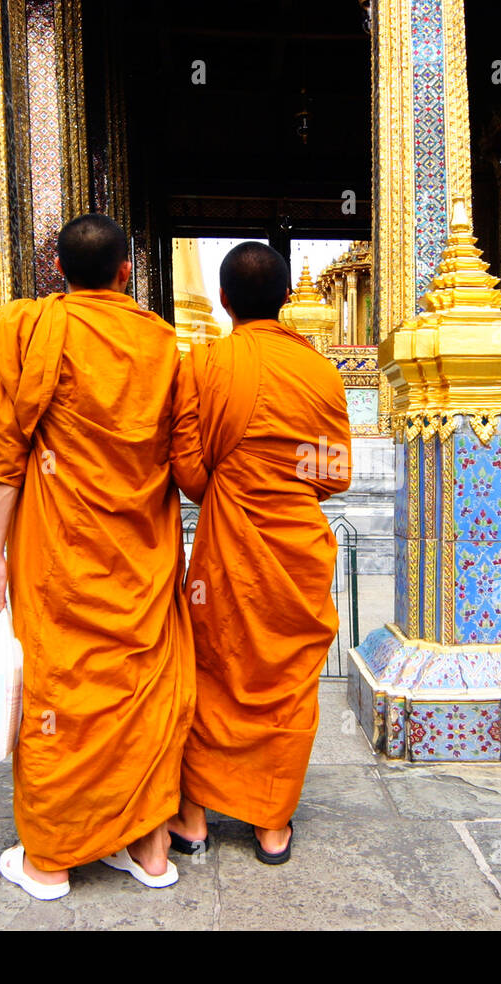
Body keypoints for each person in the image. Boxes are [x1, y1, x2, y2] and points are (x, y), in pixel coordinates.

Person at [0, 213, 194, 899]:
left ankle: (50, 858)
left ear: (60, 273)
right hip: (142, 551)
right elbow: (185, 462)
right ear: (127, 272)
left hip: (59, 556)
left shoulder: (29, 327)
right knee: (145, 690)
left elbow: (6, 453)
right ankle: (148, 849)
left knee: (62, 694)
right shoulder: (164, 343)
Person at [167, 241, 352, 864]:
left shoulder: (207, 364)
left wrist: (236, 474)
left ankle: (192, 818)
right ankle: (272, 824)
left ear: (222, 300)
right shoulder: (321, 371)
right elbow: (334, 473)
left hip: (228, 550)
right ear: (287, 301)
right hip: (298, 551)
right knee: (287, 682)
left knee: (213, 671)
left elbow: (191, 475)